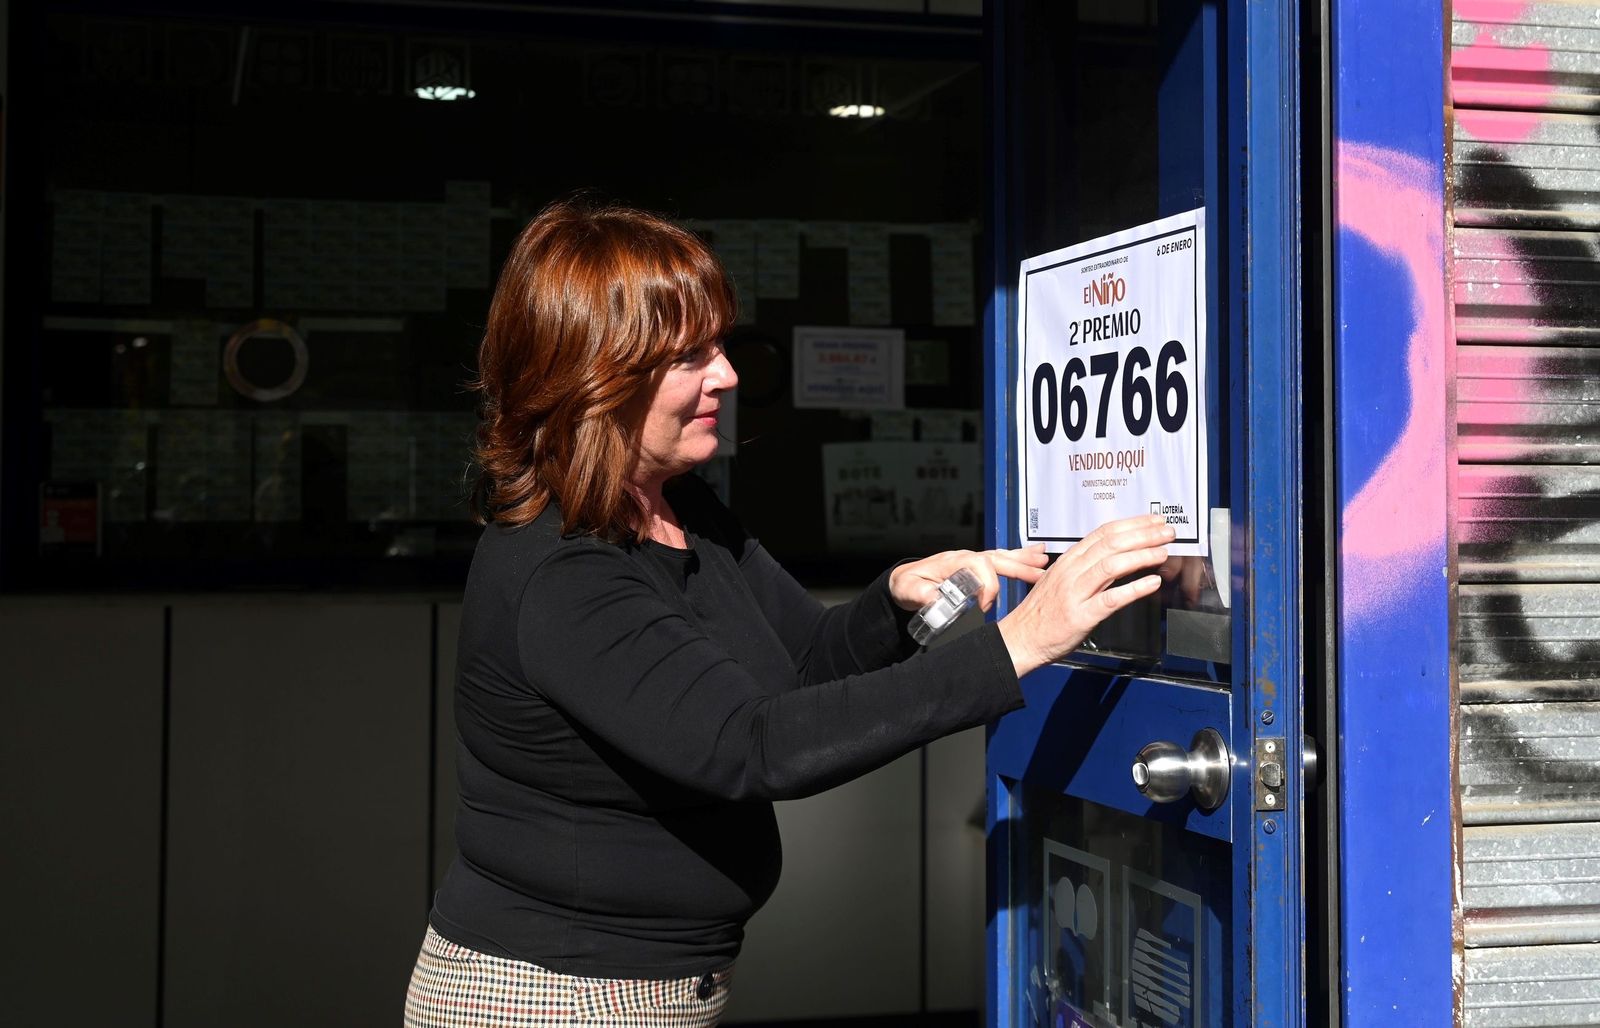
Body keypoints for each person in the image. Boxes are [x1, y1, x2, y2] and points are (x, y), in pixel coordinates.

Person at [403, 200, 1175, 1028]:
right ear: (595, 375)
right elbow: (755, 744)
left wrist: (895, 601)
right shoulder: (562, 569)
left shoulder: (679, 507)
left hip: (645, 988)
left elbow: (800, 661)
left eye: (720, 344)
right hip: (553, 999)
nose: (728, 375)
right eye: (689, 355)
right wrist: (1016, 646)